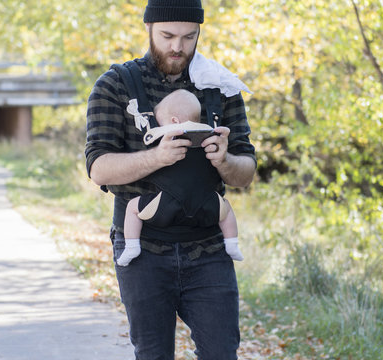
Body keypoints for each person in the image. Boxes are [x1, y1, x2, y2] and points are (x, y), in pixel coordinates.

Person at [85, 0, 256, 358]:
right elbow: (98, 167)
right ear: (148, 29)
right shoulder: (115, 84)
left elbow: (246, 172)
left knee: (222, 353)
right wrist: (156, 157)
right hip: (142, 250)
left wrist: (224, 161)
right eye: (167, 35)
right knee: (152, 354)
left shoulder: (221, 87)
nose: (178, 46)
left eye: (188, 36)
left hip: (209, 247)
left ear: (199, 34)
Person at [118, 89, 244, 267]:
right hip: (206, 201)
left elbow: (148, 138)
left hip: (168, 202)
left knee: (132, 208)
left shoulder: (163, 135)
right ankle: (232, 244)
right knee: (227, 209)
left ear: (174, 121)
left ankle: (132, 246)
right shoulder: (210, 134)